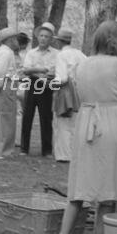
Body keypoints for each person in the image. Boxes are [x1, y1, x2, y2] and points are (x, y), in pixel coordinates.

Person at [51, 21, 117, 234]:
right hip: (111, 124)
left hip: (85, 125)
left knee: (78, 187)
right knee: (108, 191)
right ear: (113, 41)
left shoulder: (83, 64)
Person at [20, 22, 58, 157]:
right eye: (41, 35)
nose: (43, 38)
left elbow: (53, 72)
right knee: (27, 116)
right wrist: (40, 70)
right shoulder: (31, 53)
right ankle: (24, 148)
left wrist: (34, 70)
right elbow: (26, 70)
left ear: (51, 39)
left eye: (46, 36)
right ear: (37, 37)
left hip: (46, 87)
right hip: (32, 85)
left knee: (46, 117)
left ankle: (47, 150)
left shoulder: (56, 54)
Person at [52, 29, 86, 162]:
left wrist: (51, 84)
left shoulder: (61, 55)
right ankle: (75, 153)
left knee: (63, 122)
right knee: (75, 123)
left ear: (59, 41)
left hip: (66, 91)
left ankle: (64, 155)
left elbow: (62, 78)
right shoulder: (81, 54)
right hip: (79, 91)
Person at [0, 27, 20, 159]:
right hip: (5, 86)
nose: (17, 41)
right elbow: (0, 72)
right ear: (10, 39)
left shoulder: (1, 51)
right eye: (15, 38)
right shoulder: (6, 53)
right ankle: (4, 150)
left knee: (1, 117)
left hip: (3, 86)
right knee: (6, 117)